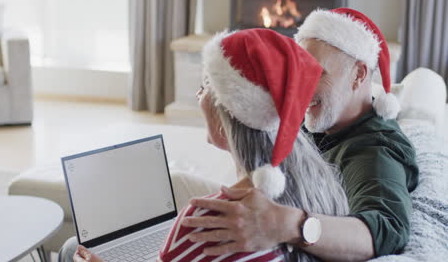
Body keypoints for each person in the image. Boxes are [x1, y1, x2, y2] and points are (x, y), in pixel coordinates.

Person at [69, 28, 350, 262]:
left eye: (206, 84)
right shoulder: (319, 187)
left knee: (71, 248)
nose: (198, 93)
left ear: (228, 115)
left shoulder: (211, 220)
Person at [181, 8, 419, 262]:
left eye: (317, 74)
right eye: (300, 73)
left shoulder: (374, 151)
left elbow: (385, 231)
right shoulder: (329, 119)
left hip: (283, 231)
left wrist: (285, 224)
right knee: (174, 184)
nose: (301, 89)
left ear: (359, 74)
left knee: (180, 199)